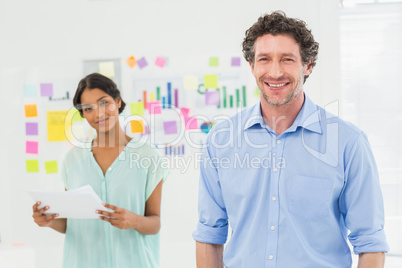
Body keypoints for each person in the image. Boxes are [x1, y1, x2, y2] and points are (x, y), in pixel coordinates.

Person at [193, 11, 389, 268]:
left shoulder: (348, 143)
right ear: (252, 66)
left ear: (307, 65)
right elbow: (209, 235)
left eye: (287, 59)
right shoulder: (221, 141)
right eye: (264, 59)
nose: (275, 72)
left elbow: (371, 243)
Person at [32, 73, 169, 267]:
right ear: (83, 114)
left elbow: (155, 223)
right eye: (88, 108)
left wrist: (134, 221)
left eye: (104, 103)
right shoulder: (73, 159)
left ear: (118, 101)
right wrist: (48, 220)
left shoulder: (148, 157)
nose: (98, 114)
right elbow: (70, 223)